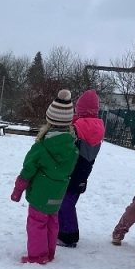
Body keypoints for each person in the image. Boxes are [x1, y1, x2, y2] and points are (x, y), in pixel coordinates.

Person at [10, 89, 79, 264]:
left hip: (41, 193)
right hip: (58, 194)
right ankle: (49, 252)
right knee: (52, 222)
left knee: (36, 223)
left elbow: (27, 170)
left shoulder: (41, 148)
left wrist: (18, 190)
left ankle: (38, 256)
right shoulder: (73, 148)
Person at [57, 89, 105, 247]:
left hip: (71, 170)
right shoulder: (99, 127)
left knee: (65, 202)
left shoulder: (76, 126)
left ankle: (69, 235)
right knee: (70, 200)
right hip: (84, 172)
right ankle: (62, 229)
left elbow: (67, 148)